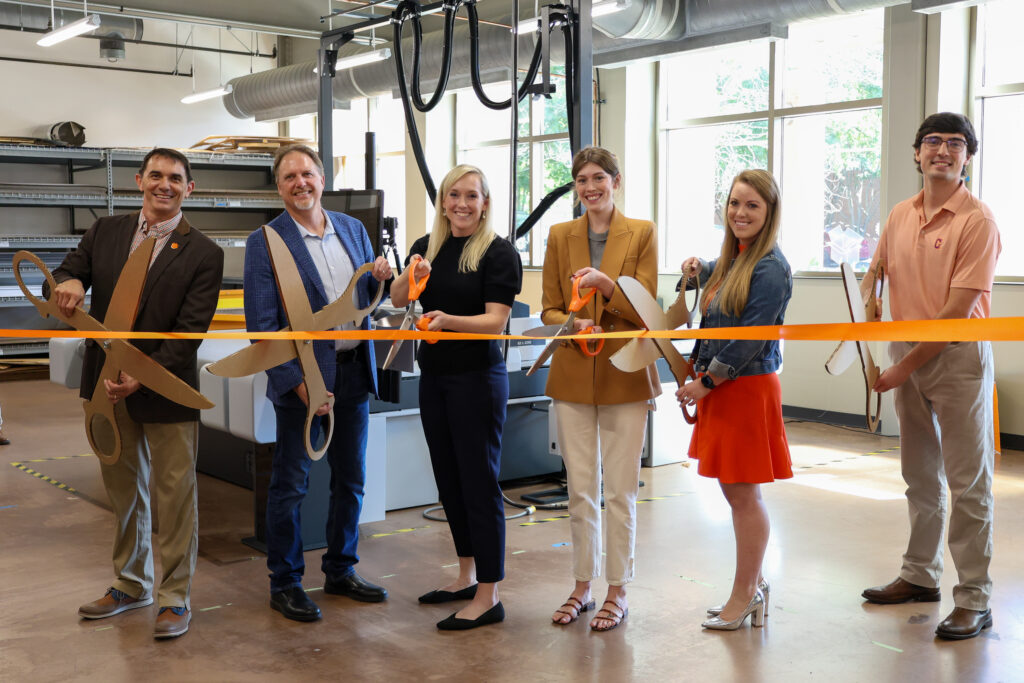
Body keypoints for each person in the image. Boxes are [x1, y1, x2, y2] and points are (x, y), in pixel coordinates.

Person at [54, 148, 224, 639]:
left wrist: (143, 376)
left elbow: (187, 334)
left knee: (174, 497)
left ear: (188, 189)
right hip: (106, 386)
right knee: (123, 492)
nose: (163, 185)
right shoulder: (105, 232)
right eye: (155, 176)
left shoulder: (204, 254)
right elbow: (73, 268)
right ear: (139, 180)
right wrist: (67, 282)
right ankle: (130, 584)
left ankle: (174, 598)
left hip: (165, 387)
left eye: (175, 178)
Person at [860, 112, 1001, 641]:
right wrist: (869, 295)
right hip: (906, 354)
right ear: (917, 153)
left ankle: (974, 598)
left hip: (956, 358)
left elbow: (954, 315)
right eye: (933, 142)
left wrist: (900, 368)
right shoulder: (900, 214)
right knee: (919, 475)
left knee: (968, 483)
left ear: (968, 156)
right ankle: (920, 576)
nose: (943, 150)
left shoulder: (977, 222)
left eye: (956, 143)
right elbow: (877, 270)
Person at [244, 144, 392, 622]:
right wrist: (298, 384)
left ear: (322, 179)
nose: (300, 183)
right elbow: (263, 327)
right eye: (289, 177)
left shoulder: (352, 229)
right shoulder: (265, 241)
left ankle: (340, 568)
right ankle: (284, 582)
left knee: (351, 479)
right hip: (304, 381)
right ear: (279, 186)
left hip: (353, 372)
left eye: (307, 173)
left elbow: (365, 298)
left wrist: (381, 278)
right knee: (291, 484)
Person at [390, 165, 521, 631]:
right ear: (442, 201)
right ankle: (466, 574)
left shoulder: (498, 253)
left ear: (485, 203)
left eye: (471, 196)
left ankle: (489, 594)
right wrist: (412, 275)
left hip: (477, 381)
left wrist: (448, 321)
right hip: (435, 378)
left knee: (478, 484)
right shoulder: (428, 246)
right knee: (448, 480)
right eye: (453, 195)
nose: (461, 204)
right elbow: (398, 295)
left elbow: (496, 323)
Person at [542, 147, 660, 632]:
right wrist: (571, 325)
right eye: (582, 180)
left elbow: (645, 307)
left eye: (599, 179)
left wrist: (607, 287)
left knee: (620, 491)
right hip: (572, 372)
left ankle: (618, 590)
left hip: (624, 373)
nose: (591, 188)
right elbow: (549, 308)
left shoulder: (643, 233)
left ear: (617, 180)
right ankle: (581, 585)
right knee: (581, 489)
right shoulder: (558, 235)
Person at [676, 168, 793, 631]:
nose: (740, 213)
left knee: (743, 496)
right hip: (725, 389)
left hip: (741, 389)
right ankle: (755, 587)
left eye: (752, 206)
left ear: (769, 213)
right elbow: (720, 279)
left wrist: (705, 382)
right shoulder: (735, 259)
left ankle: (744, 595)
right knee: (735, 491)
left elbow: (747, 341)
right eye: (734, 204)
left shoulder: (770, 268)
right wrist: (698, 268)